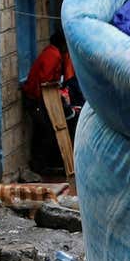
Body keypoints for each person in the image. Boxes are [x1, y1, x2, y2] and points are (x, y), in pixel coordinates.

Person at [23, 28, 79, 176]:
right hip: (36, 99)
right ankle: (39, 165)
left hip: (40, 98)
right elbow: (45, 81)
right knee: (44, 132)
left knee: (43, 131)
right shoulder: (53, 55)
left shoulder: (53, 53)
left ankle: (40, 164)